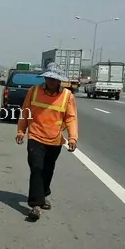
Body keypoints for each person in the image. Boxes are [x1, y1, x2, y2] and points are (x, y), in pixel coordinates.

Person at [16, 62, 78, 220]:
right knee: (36, 167)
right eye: (49, 78)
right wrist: (21, 131)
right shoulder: (34, 91)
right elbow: (26, 112)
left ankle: (43, 193)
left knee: (48, 170)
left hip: (55, 140)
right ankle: (36, 205)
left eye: (54, 79)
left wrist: (72, 137)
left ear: (59, 81)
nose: (51, 81)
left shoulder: (67, 96)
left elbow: (71, 118)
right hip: (35, 137)